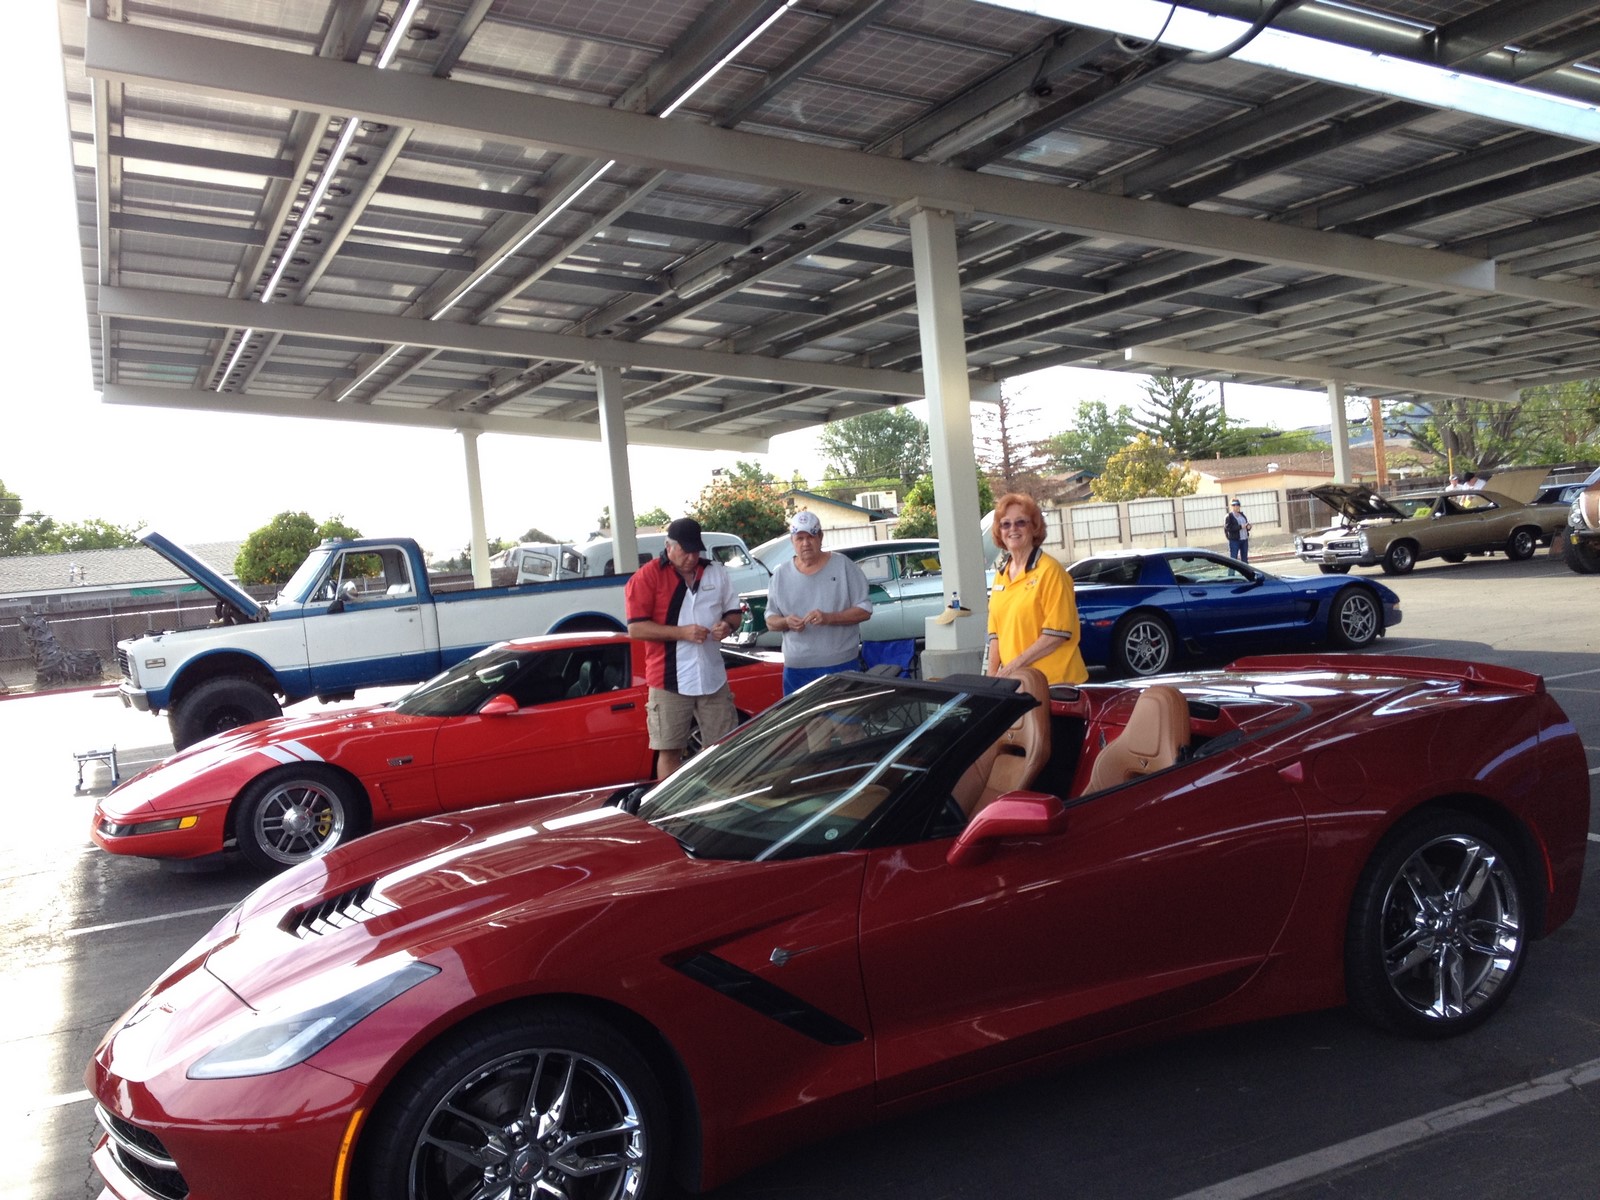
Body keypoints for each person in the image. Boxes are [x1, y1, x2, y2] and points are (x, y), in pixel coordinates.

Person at [624, 516, 743, 777]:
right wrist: (682, 633)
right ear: (669, 547)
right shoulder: (647, 576)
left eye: (695, 550)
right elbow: (635, 629)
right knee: (669, 749)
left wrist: (727, 626)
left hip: (712, 676)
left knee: (724, 747)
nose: (691, 556)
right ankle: (668, 813)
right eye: (685, 550)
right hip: (668, 679)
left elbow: (734, 613)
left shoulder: (715, 571)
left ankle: (718, 804)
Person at [765, 510, 873, 694]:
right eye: (800, 538)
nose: (805, 543)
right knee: (801, 723)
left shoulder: (843, 566)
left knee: (843, 722)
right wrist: (785, 622)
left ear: (821, 537)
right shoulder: (780, 575)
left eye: (811, 536)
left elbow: (865, 610)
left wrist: (829, 618)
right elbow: (770, 620)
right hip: (796, 670)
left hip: (840, 665)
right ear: (792, 540)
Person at [986, 493, 1087, 686]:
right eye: (1005, 524)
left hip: (1055, 686)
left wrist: (1009, 670)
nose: (1012, 529)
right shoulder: (1001, 575)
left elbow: (1055, 635)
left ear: (1034, 527)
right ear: (999, 531)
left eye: (1021, 522)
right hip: (1019, 684)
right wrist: (992, 681)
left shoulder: (1051, 572)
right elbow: (996, 636)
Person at [1224, 498, 1252, 562]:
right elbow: (1228, 528)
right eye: (1234, 505)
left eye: (1237, 505)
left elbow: (1246, 525)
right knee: (1233, 559)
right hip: (1235, 540)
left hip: (1244, 540)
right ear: (1231, 506)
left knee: (1244, 560)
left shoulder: (1242, 515)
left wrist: (1248, 527)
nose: (1236, 506)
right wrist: (1240, 527)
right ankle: (1231, 572)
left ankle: (1245, 572)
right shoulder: (1229, 516)